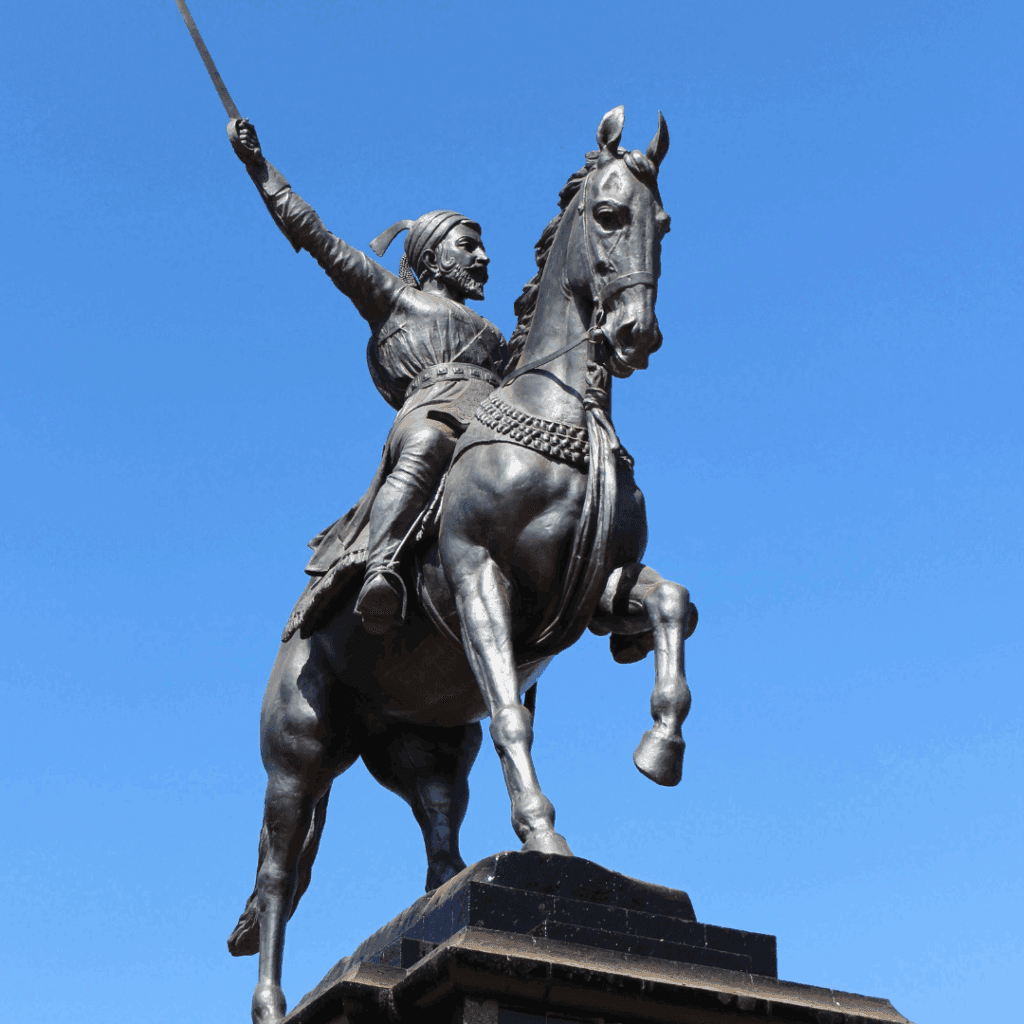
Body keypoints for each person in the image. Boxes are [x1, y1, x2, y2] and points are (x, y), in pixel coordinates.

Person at [229, 119, 511, 633]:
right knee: (427, 442)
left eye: (481, 247)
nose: (484, 257)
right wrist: (259, 167)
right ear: (432, 256)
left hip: (491, 418)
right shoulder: (395, 298)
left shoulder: (496, 334)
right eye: (468, 246)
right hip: (432, 410)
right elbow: (316, 236)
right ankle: (382, 565)